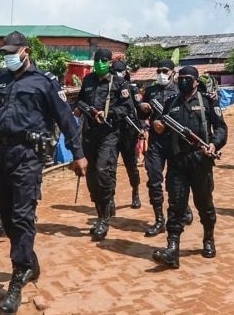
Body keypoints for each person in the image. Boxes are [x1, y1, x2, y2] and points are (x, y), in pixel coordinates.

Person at [0, 31, 87, 315]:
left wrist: (78, 153)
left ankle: (17, 278)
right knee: (5, 215)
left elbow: (66, 119)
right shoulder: (0, 80)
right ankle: (30, 261)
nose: (8, 56)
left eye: (11, 51)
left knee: (21, 215)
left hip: (28, 156)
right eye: (5, 52)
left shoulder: (44, 82)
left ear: (26, 51)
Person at [151, 66, 228, 269]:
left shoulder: (208, 101)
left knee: (204, 204)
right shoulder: (171, 103)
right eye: (181, 78)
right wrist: (158, 126)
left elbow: (220, 127)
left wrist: (213, 144)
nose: (183, 82)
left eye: (187, 79)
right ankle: (172, 249)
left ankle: (208, 238)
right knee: (175, 206)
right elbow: (161, 126)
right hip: (177, 162)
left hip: (200, 162)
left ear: (195, 81)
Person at [73, 48, 133, 241]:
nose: (99, 63)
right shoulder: (88, 80)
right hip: (89, 133)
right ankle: (99, 210)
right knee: (90, 175)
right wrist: (84, 109)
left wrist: (107, 115)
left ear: (109, 63)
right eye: (97, 60)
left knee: (102, 171)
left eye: (103, 60)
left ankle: (104, 216)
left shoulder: (119, 83)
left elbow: (127, 107)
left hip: (109, 134)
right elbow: (80, 100)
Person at [136, 59, 194, 238]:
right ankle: (159, 219)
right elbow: (142, 115)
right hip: (155, 143)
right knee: (154, 179)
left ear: (172, 72)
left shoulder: (179, 90)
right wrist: (144, 111)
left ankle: (183, 208)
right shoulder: (151, 91)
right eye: (158, 70)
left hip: (175, 143)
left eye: (165, 70)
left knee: (175, 181)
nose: (161, 74)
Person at [111, 60, 142, 209]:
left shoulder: (132, 89)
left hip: (129, 131)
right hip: (112, 131)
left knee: (131, 166)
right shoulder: (108, 88)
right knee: (110, 167)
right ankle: (109, 199)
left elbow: (140, 109)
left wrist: (141, 128)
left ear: (125, 72)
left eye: (119, 71)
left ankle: (135, 191)